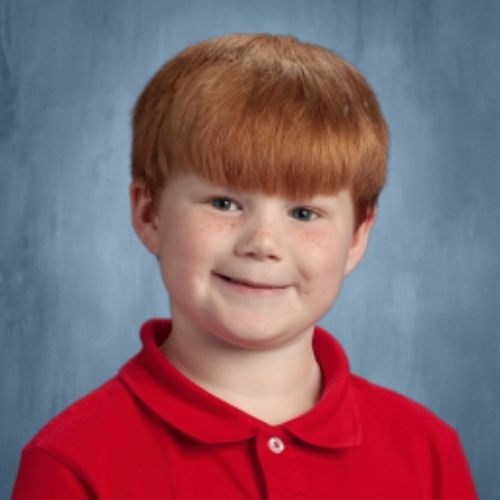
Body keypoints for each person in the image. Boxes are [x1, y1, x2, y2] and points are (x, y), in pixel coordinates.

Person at [12, 33, 477, 499]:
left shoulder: (428, 452)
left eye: (303, 213)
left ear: (357, 236)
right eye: (223, 202)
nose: (262, 243)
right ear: (150, 215)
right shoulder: (71, 463)